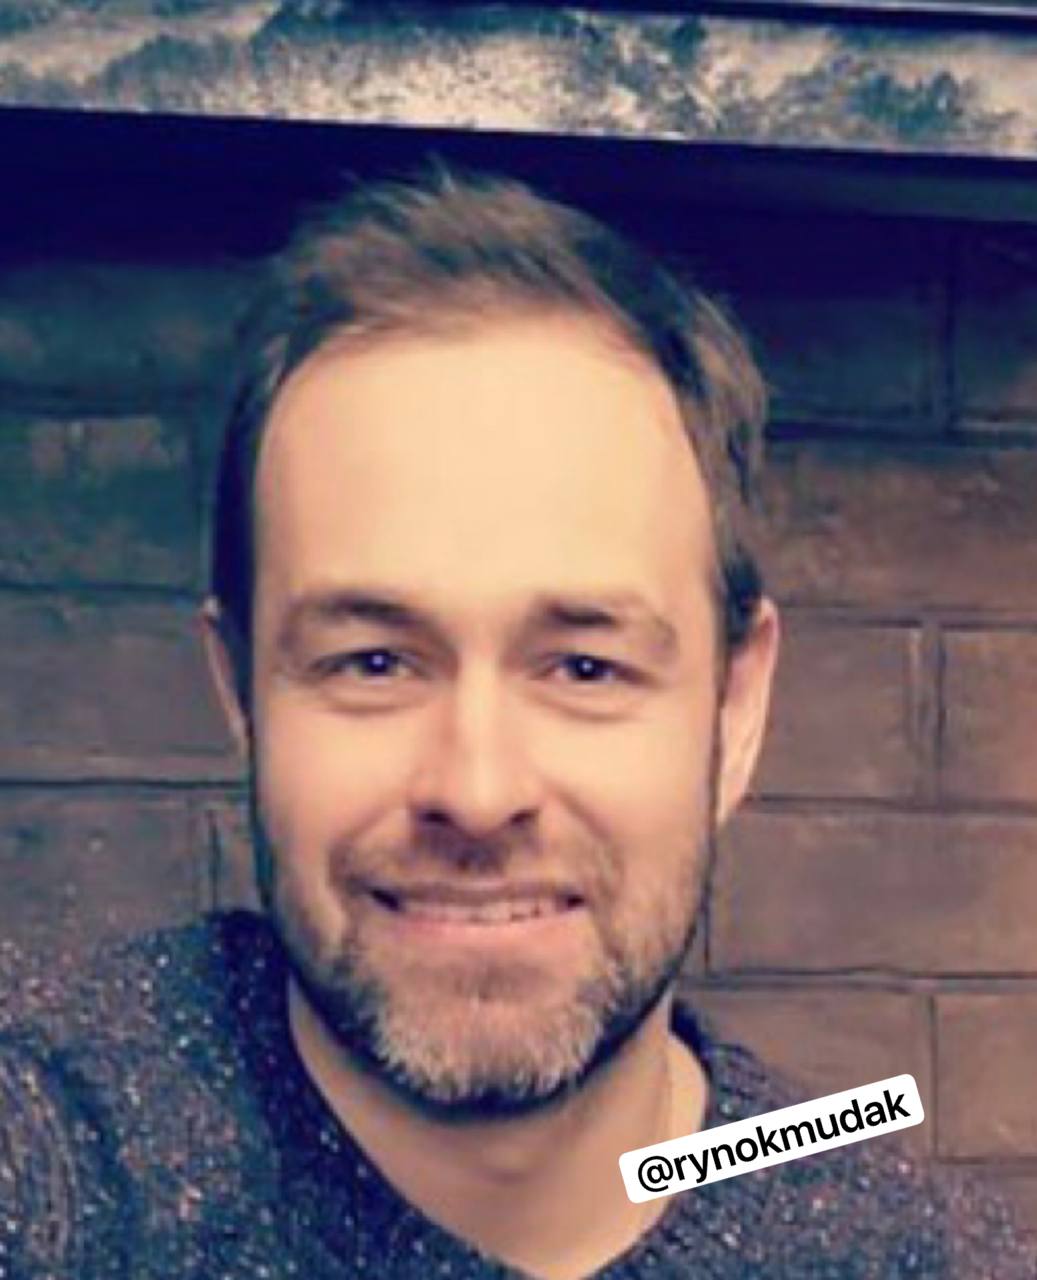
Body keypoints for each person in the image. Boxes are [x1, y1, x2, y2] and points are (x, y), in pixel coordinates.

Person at [0, 165, 1030, 1280]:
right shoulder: (58, 1143)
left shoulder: (920, 1252)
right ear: (242, 691)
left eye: (585, 666)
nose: (478, 790)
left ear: (735, 710)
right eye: (374, 661)